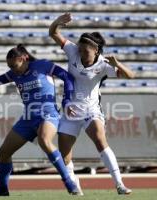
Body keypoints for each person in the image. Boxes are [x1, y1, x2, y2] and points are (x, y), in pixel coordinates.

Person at [0, 44, 81, 196]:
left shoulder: (43, 65)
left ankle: (70, 183)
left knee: (45, 140)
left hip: (48, 113)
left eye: (14, 65)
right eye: (10, 66)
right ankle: (3, 188)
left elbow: (67, 76)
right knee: (4, 152)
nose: (13, 69)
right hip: (28, 118)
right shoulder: (14, 74)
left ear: (23, 58)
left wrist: (67, 100)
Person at [49, 13, 135, 195]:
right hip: (70, 110)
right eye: (80, 49)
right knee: (64, 154)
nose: (81, 53)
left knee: (100, 139)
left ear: (96, 50)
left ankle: (119, 183)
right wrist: (58, 23)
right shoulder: (72, 50)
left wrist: (117, 63)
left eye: (85, 51)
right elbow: (53, 33)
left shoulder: (104, 65)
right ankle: (74, 184)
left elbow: (131, 75)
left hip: (91, 109)